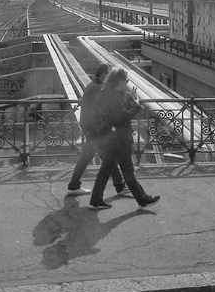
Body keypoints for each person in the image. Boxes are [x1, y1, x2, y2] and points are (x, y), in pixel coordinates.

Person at [88, 67, 160, 210]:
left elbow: (118, 113)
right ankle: (143, 199)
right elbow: (121, 117)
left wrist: (129, 98)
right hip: (119, 140)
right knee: (128, 172)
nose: (127, 83)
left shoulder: (109, 94)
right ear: (119, 82)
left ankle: (95, 200)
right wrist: (136, 105)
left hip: (110, 139)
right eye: (126, 81)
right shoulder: (114, 97)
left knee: (106, 170)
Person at [66, 63, 127, 196]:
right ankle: (118, 186)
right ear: (104, 75)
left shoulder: (93, 85)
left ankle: (74, 185)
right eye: (110, 74)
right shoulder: (98, 89)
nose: (112, 77)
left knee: (88, 157)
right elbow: (103, 108)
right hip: (95, 129)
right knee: (107, 157)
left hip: (90, 128)